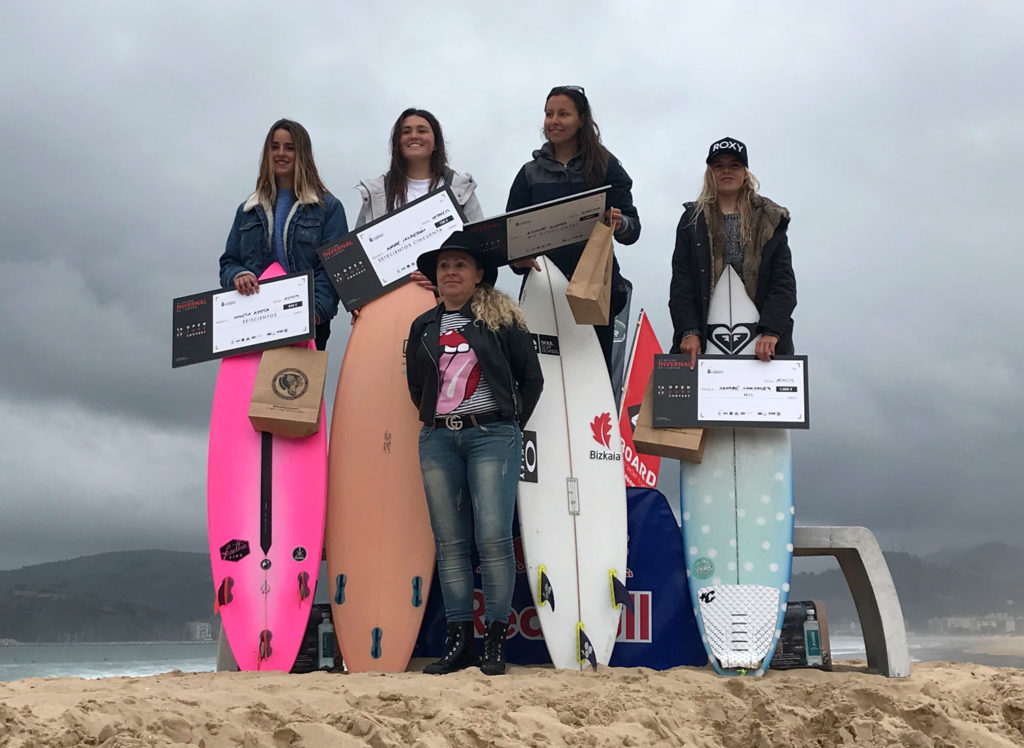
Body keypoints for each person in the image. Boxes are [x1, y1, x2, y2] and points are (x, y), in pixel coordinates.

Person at [406, 231, 543, 676]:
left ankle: (495, 641)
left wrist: (507, 423)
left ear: (478, 274)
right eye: (444, 266)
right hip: (437, 439)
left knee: (493, 538)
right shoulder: (422, 326)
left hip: (491, 436)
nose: (450, 272)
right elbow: (416, 387)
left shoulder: (502, 319)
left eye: (459, 265)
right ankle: (460, 640)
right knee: (449, 544)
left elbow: (532, 379)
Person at [506, 85, 640, 370]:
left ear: (581, 119)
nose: (553, 121)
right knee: (540, 374)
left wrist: (620, 222)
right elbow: (510, 236)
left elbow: (633, 229)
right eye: (548, 114)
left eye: (563, 114)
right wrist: (518, 261)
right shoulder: (529, 173)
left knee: (592, 373)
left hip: (593, 290)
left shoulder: (606, 165)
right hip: (543, 289)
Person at [219, 119, 347, 350]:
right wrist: (239, 275)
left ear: (303, 154)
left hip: (307, 322)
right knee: (252, 387)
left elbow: (332, 271)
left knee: (292, 386)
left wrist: (314, 313)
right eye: (274, 147)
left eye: (290, 148)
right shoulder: (247, 210)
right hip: (254, 321)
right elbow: (229, 261)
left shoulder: (328, 208)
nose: (281, 153)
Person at [669, 137, 796, 367]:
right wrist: (689, 331)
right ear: (710, 172)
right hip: (704, 340)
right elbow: (682, 282)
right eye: (719, 166)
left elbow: (783, 282)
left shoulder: (771, 218)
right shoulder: (692, 219)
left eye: (734, 165)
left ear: (745, 172)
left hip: (763, 345)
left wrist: (772, 331)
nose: (726, 171)